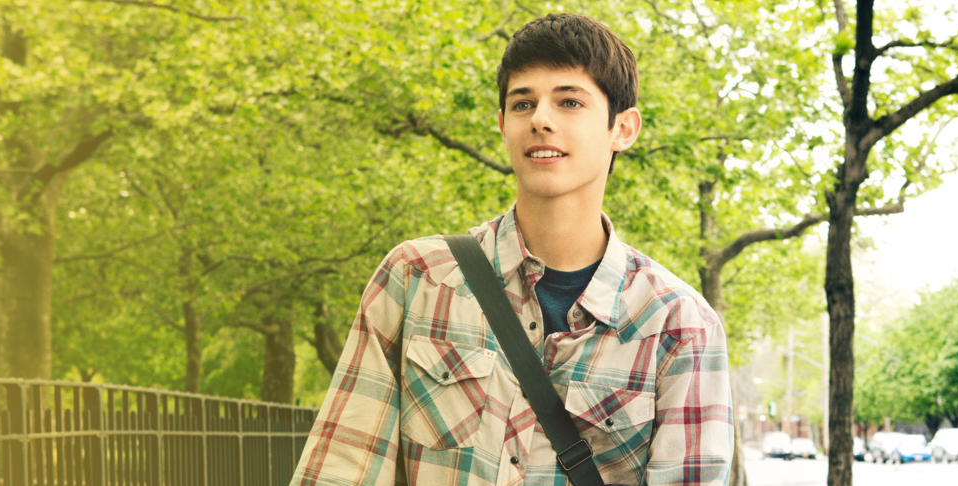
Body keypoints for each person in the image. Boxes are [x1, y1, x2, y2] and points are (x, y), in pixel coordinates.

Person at [291, 13, 732, 486]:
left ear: (623, 129)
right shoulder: (416, 278)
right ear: (502, 125)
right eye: (523, 104)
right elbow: (341, 469)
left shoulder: (679, 324)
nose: (541, 119)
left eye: (569, 101)